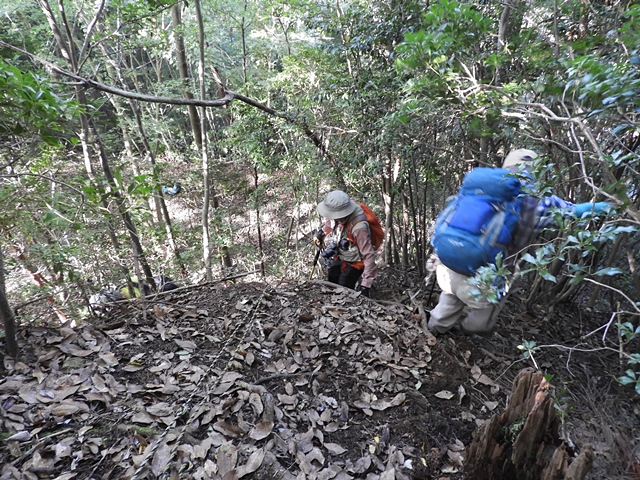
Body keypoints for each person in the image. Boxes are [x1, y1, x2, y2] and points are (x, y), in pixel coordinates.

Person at [427, 149, 612, 335]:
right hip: (484, 279)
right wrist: (605, 207)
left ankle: (433, 331)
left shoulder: (477, 192)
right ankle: (464, 334)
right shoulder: (532, 206)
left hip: (449, 267)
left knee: (448, 303)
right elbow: (572, 212)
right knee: (482, 321)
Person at [314, 190, 378, 297]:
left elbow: (369, 255)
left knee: (344, 286)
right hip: (341, 254)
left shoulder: (359, 228)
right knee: (332, 278)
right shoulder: (336, 215)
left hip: (356, 261)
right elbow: (330, 224)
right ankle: (332, 300)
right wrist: (322, 234)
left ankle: (344, 307)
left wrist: (365, 285)